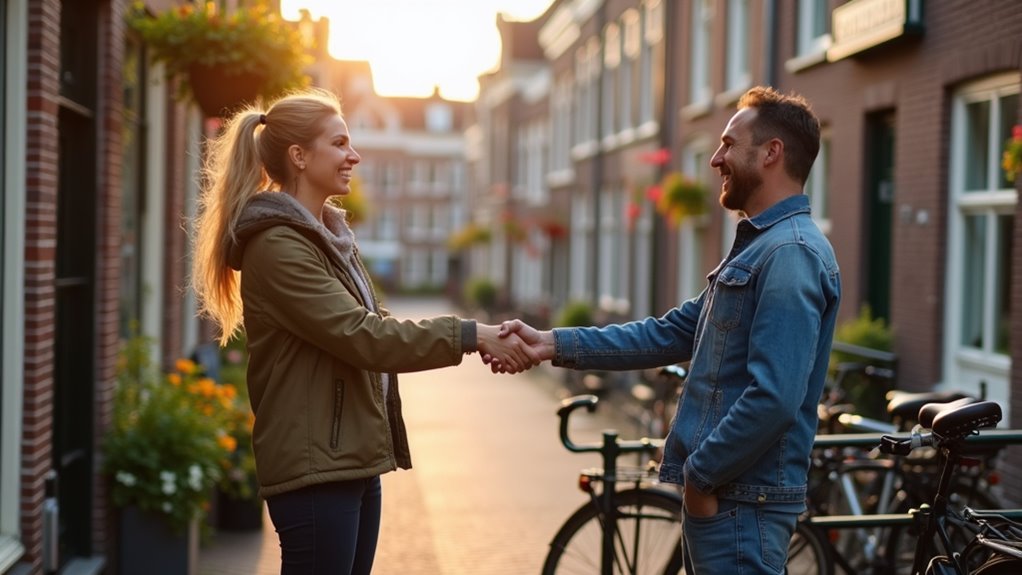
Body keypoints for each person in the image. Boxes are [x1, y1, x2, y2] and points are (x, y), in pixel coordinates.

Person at [190, 87, 539, 574]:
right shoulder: (278, 248)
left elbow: (373, 328)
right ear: (299, 155)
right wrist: (472, 334)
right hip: (315, 469)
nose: (353, 155)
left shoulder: (328, 238)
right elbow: (366, 337)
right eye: (339, 143)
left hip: (348, 459)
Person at [494, 86, 841, 574]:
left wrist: (701, 476)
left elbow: (776, 397)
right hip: (732, 500)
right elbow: (672, 332)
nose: (716, 158)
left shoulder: (790, 254)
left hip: (741, 503)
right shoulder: (762, 247)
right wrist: (551, 343)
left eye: (728, 144)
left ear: (771, 153)